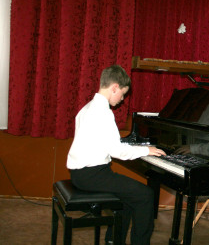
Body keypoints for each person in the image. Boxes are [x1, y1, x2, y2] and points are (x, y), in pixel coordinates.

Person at [66, 64, 166, 245]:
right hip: (92, 175)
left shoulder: (87, 108)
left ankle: (113, 240)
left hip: (80, 174)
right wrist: (146, 150)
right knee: (146, 195)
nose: (122, 99)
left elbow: (106, 144)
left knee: (128, 197)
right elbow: (117, 151)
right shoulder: (103, 112)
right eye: (122, 94)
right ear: (115, 88)